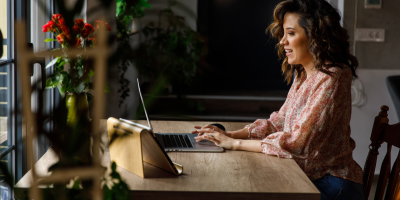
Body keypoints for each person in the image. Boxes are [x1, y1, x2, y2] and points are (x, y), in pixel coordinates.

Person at [191, 0, 365, 200]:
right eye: (283, 33)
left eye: (290, 33)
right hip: (305, 176)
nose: (282, 41)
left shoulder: (333, 76)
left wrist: (235, 144)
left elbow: (298, 144)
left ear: (315, 36)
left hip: (333, 184)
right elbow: (279, 121)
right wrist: (231, 134)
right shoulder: (303, 74)